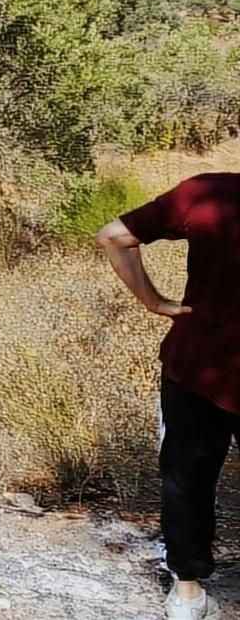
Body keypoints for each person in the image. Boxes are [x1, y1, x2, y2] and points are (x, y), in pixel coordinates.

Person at [100, 172, 240, 620]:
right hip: (203, 368)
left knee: (186, 478)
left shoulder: (207, 193)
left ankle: (187, 594)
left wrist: (154, 303)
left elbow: (115, 236)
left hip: (197, 367)